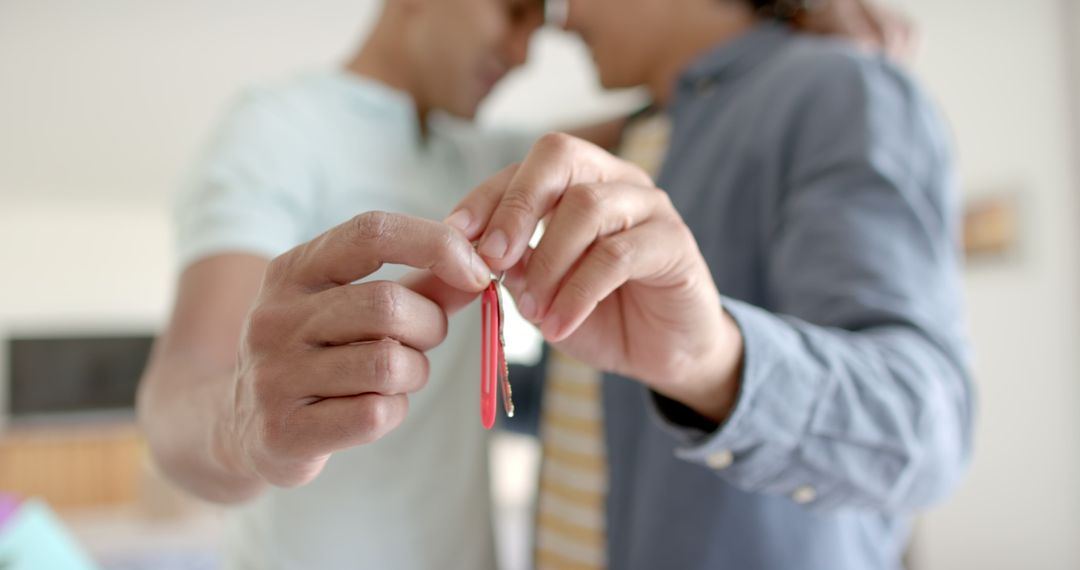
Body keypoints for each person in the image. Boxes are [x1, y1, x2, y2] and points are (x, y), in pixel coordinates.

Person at [137, 0, 923, 568]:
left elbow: (679, 103)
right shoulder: (275, 131)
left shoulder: (476, 156)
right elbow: (178, 393)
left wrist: (801, 26)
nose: (528, 48)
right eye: (514, 11)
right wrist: (241, 419)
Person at [447, 0, 972, 568]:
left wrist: (716, 361)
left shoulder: (842, 90)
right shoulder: (638, 133)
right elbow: (595, 400)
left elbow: (926, 428)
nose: (563, 21)